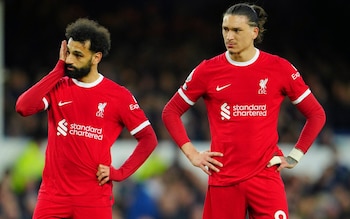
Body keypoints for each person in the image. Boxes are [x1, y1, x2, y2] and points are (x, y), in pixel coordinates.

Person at [162, 3, 326, 219]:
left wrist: (295, 155)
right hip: (224, 179)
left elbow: (316, 114)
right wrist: (192, 154)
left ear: (254, 32)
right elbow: (170, 111)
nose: (229, 36)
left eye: (236, 30)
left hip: (265, 178)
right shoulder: (208, 70)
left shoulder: (280, 68)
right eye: (225, 29)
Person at [16, 18, 158, 219]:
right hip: (53, 197)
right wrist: (57, 70)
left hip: (93, 199)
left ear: (96, 58)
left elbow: (148, 139)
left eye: (78, 55)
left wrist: (120, 172)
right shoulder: (58, 87)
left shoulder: (118, 96)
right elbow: (23, 107)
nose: (70, 60)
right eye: (69, 53)